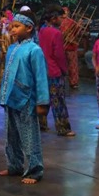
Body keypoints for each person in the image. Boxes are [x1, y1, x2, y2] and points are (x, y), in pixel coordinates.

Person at [0, 11, 49, 185]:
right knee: (10, 134)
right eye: (12, 26)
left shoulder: (35, 50)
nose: (12, 30)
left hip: (27, 99)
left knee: (29, 135)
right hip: (11, 97)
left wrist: (42, 102)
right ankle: (14, 165)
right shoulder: (12, 48)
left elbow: (41, 77)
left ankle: (35, 170)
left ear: (29, 28)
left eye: (17, 26)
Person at [38, 9, 76, 137]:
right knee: (58, 100)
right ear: (54, 18)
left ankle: (41, 124)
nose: (63, 20)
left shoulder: (41, 30)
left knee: (43, 98)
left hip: (42, 69)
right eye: (61, 18)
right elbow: (59, 54)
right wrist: (64, 70)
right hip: (54, 70)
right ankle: (63, 127)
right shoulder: (56, 33)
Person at [60, 6, 80, 89]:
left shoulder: (72, 22)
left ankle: (73, 82)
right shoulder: (59, 22)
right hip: (62, 46)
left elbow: (77, 34)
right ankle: (62, 82)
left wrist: (78, 26)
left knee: (73, 66)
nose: (65, 13)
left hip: (71, 46)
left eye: (66, 11)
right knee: (62, 65)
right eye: (63, 11)